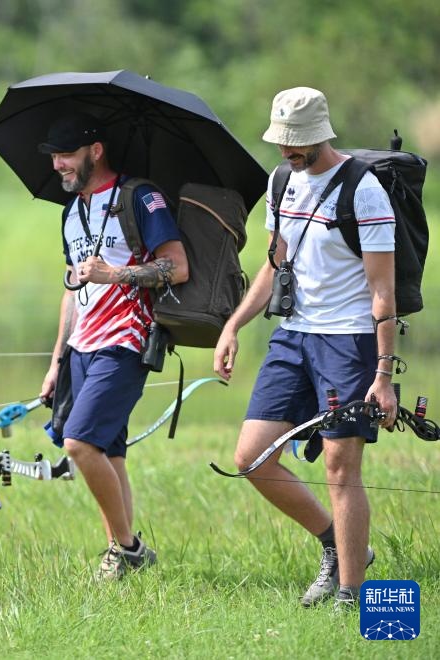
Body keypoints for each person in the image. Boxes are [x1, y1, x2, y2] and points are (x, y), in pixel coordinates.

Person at [213, 87, 397, 608]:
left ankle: (350, 595)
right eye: (282, 141)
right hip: (293, 336)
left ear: (321, 133)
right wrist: (233, 325)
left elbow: (383, 291)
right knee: (252, 457)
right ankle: (338, 546)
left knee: (341, 469)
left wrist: (384, 375)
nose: (287, 150)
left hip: (349, 340)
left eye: (296, 142)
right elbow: (275, 264)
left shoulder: (364, 191)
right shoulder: (281, 181)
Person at [37, 113, 188, 579]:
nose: (58, 165)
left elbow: (177, 266)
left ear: (96, 151)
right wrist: (56, 361)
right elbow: (71, 290)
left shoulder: (139, 197)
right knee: (110, 452)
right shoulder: (70, 211)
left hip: (127, 339)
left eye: (66, 155)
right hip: (81, 345)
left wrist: (115, 273)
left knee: (79, 443)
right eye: (54, 157)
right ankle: (120, 553)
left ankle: (129, 548)